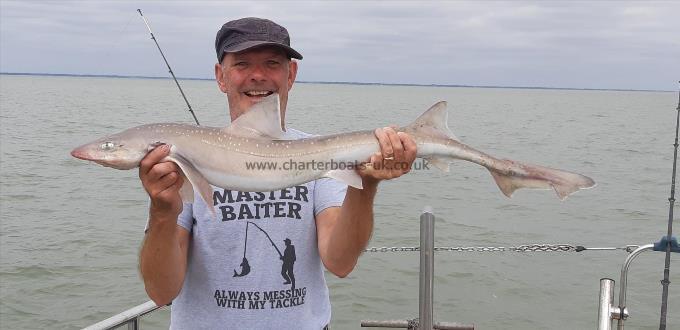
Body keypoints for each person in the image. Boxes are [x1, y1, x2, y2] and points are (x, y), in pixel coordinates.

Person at [138, 17, 416, 329]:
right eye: (242, 64)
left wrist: (366, 184)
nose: (258, 75)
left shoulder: (320, 155)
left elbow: (340, 262)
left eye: (272, 63)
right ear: (221, 76)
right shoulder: (184, 159)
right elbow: (161, 292)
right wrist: (162, 211)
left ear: (290, 74)